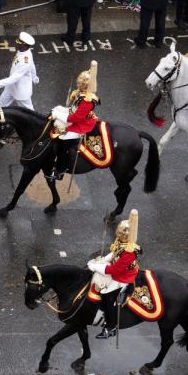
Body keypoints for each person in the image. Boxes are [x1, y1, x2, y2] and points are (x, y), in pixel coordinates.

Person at [87, 209, 140, 339]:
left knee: (107, 295)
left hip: (123, 277)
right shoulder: (122, 242)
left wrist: (95, 266)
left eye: (121, 234)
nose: (118, 235)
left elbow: (115, 270)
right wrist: (104, 260)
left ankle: (111, 327)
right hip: (116, 268)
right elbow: (114, 252)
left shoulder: (129, 252)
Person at [0, 31, 38, 129]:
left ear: (25, 45)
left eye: (19, 43)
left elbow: (14, 78)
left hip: (21, 91)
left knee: (29, 112)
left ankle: (37, 127)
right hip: (11, 88)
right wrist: (34, 76)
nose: (16, 43)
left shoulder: (26, 60)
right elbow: (32, 66)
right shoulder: (23, 51)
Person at [49, 61, 99, 180]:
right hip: (76, 116)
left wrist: (57, 114)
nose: (78, 84)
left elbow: (75, 118)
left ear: (85, 86)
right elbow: (72, 109)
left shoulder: (87, 100)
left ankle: (60, 170)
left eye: (80, 83)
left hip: (82, 124)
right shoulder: (80, 93)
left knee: (62, 139)